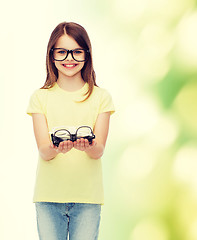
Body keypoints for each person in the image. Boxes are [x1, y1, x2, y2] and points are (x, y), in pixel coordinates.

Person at [27, 22, 115, 240]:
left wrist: (89, 146)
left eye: (77, 52)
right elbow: (44, 151)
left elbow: (99, 151)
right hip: (49, 198)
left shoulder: (101, 97)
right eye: (62, 52)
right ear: (52, 55)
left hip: (87, 199)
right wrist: (57, 149)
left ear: (87, 55)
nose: (70, 58)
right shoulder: (40, 97)